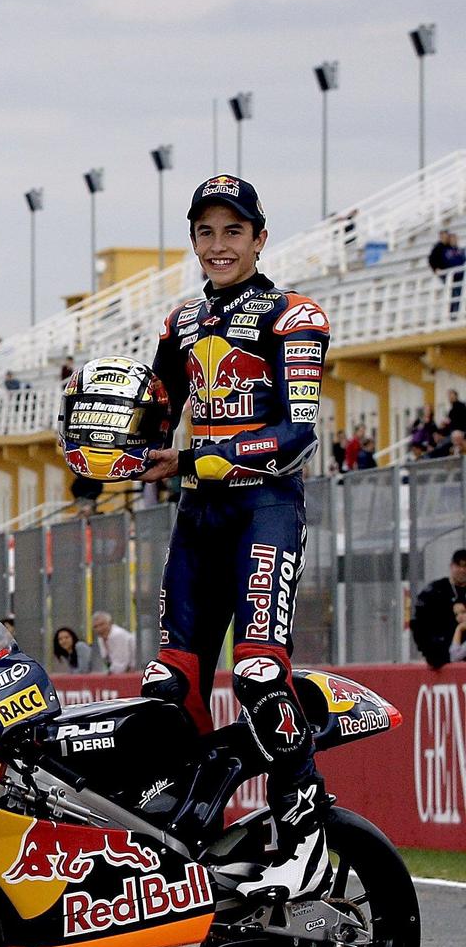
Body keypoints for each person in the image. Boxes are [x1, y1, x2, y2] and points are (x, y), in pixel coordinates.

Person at [138, 173, 332, 898]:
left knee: (256, 670)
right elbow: (155, 419)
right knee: (169, 683)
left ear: (259, 237)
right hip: (198, 517)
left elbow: (298, 435)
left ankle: (304, 821)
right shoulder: (180, 321)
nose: (218, 245)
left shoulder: (294, 316)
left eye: (232, 231)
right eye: (206, 232)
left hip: (264, 509)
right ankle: (176, 827)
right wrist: (106, 441)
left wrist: (198, 455)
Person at [412, 549, 466, 671]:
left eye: (465, 566)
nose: (462, 570)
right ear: (452, 566)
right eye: (459, 565)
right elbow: (418, 623)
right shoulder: (436, 590)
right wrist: (430, 653)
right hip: (441, 657)